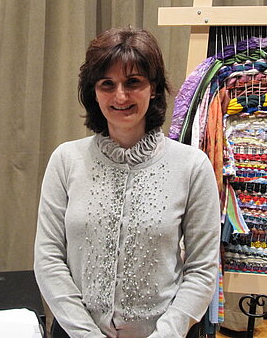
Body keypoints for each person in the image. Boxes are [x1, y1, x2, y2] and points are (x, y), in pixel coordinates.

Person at [34, 27, 221, 338]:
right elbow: (48, 258)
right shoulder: (66, 160)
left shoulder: (192, 166)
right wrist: (86, 335)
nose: (120, 96)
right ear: (93, 92)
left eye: (133, 82)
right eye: (107, 84)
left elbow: (202, 269)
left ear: (154, 88)